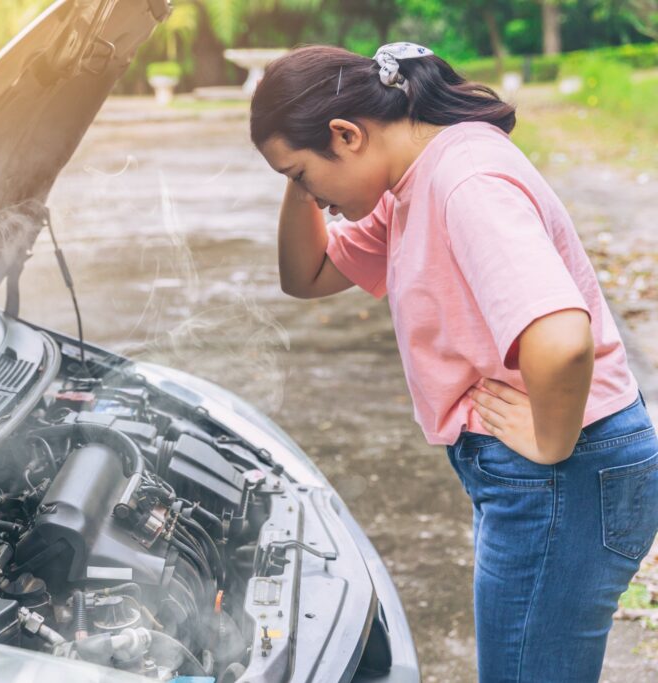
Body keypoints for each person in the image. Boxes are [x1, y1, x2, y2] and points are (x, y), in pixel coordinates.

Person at [249, 42, 658, 681]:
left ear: (346, 134)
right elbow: (308, 273)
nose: (309, 195)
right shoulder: (411, 179)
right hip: (552, 476)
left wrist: (552, 444)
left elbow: (563, 336)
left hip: (564, 473)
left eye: (301, 173)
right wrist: (301, 174)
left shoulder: (465, 183)